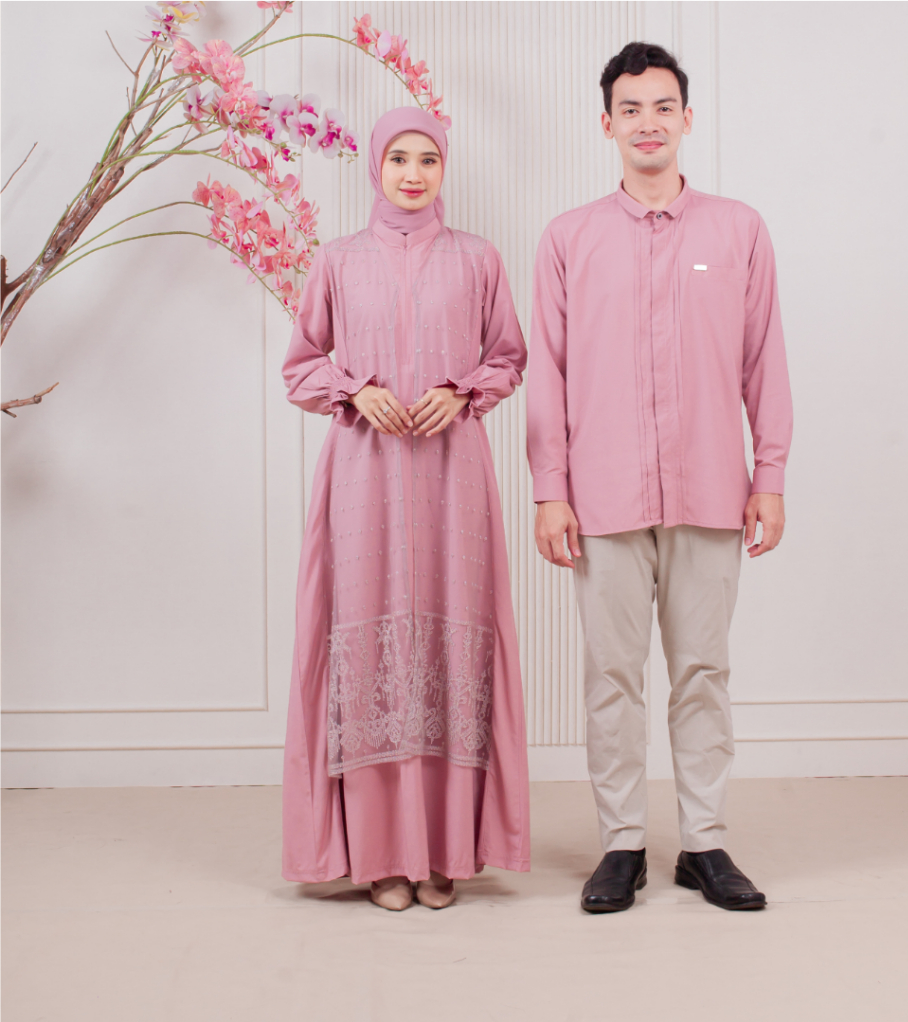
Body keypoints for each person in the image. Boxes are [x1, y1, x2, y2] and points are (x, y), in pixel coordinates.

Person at [527, 42, 793, 914]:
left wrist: (769, 475)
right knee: (612, 676)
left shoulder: (738, 230)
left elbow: (764, 361)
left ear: (687, 118)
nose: (648, 122)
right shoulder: (568, 238)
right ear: (606, 124)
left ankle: (705, 843)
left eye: (663, 106)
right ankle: (623, 845)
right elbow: (549, 374)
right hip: (601, 498)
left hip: (711, 490)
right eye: (631, 109)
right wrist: (551, 488)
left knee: (703, 671)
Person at [281, 107, 530, 911]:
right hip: (365, 472)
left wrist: (463, 392)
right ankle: (383, 855)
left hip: (454, 474)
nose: (414, 173)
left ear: (443, 168)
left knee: (452, 636)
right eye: (398, 159)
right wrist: (356, 390)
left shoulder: (477, 259)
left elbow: (508, 357)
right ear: (375, 168)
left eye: (428, 159)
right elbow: (300, 366)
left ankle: (446, 850)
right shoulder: (337, 260)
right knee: (368, 642)